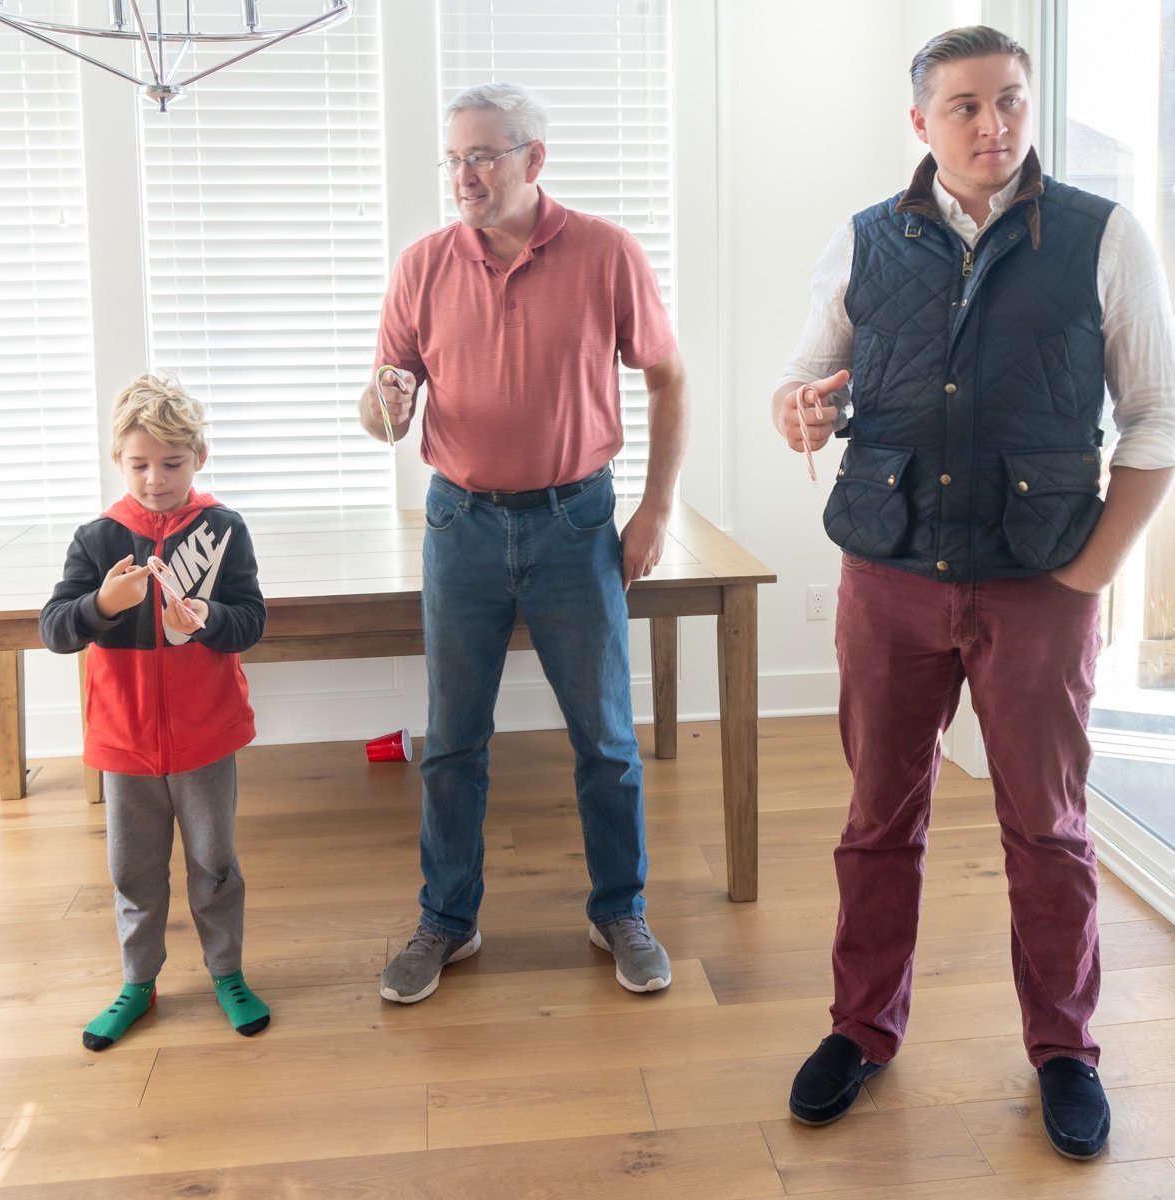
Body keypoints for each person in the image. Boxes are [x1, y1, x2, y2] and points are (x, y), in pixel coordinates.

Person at [772, 26, 1175, 1160]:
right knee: (876, 821)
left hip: (1037, 585)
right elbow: (806, 378)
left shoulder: (1105, 235)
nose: (993, 125)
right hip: (887, 577)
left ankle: (1065, 1050)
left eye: (1010, 101)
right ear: (921, 124)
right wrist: (798, 408)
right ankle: (861, 1028)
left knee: (1045, 831)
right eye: (966, 107)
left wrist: (1090, 574)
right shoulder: (865, 240)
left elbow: (1157, 416)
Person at [361, 81, 689, 1004]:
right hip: (458, 525)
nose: (465, 175)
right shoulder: (423, 264)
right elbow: (381, 403)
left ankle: (618, 908)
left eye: (484, 156)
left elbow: (669, 380)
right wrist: (382, 408)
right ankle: (447, 922)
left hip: (576, 521)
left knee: (608, 741)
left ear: (533, 159)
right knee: (454, 741)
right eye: (455, 157)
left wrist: (655, 510)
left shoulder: (605, 252)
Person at [40, 372, 271, 1050]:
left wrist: (208, 618)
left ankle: (226, 972)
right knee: (132, 870)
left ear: (199, 457)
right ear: (119, 463)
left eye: (171, 463)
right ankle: (138, 983)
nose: (154, 479)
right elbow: (55, 628)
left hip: (207, 734)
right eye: (139, 464)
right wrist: (101, 606)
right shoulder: (98, 538)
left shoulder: (223, 528)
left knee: (215, 862)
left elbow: (252, 619)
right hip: (124, 740)